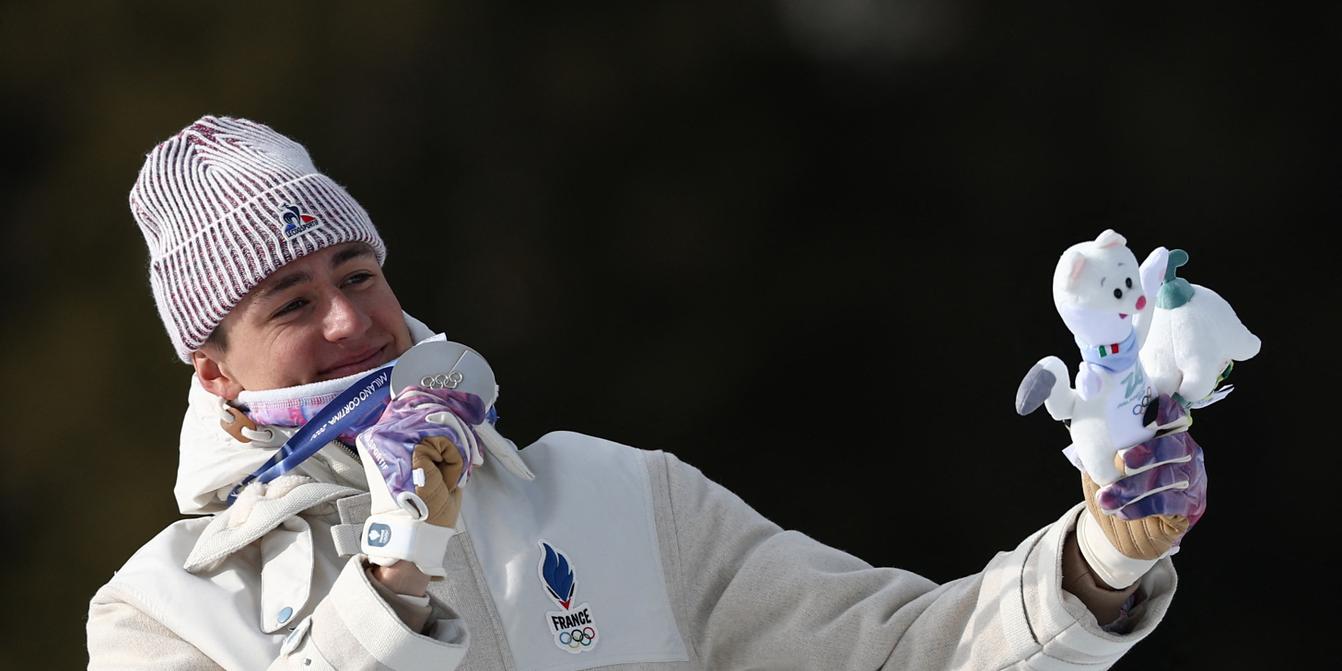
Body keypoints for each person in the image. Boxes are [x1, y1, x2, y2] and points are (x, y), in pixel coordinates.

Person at [87, 115, 1205, 670]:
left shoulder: (612, 494)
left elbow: (900, 650)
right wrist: (390, 580)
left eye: (357, 274)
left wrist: (1099, 558)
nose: (347, 320)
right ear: (212, 366)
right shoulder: (160, 612)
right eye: (288, 302)